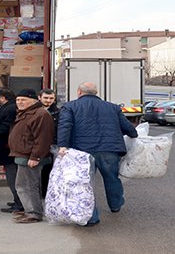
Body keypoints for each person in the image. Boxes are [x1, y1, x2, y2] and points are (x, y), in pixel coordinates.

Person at [57, 82, 138, 227]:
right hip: (109, 150)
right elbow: (127, 127)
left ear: (79, 92)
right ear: (95, 93)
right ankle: (115, 204)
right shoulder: (113, 107)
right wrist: (134, 134)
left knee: (85, 183)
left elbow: (65, 126)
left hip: (82, 151)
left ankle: (91, 217)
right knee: (112, 178)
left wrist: (63, 145)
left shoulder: (70, 106)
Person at [8, 89, 54, 224]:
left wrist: (35, 157)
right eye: (17, 100)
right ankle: (31, 210)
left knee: (27, 185)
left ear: (34, 101)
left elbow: (43, 138)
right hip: (24, 154)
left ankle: (34, 213)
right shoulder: (27, 113)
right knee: (24, 185)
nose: (19, 102)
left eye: (23, 100)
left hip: (30, 156)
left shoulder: (40, 114)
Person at [38, 88, 59, 199]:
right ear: (39, 97)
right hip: (36, 145)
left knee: (48, 171)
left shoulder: (58, 112)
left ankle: (45, 194)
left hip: (51, 146)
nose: (48, 100)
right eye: (45, 98)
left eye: (51, 98)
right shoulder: (34, 110)